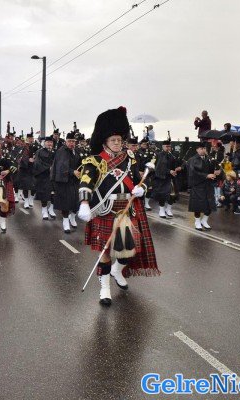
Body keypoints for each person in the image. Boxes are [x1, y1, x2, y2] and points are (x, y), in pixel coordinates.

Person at [77, 107, 159, 307]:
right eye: (113, 140)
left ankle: (116, 270)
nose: (117, 143)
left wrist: (141, 189)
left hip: (126, 210)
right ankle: (104, 288)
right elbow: (85, 182)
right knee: (105, 252)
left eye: (119, 140)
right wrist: (84, 203)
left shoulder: (129, 159)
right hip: (105, 211)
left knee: (130, 249)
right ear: (104, 141)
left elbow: (140, 180)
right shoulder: (95, 161)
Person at [51, 131, 81, 233]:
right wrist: (72, 171)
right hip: (64, 181)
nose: (72, 143)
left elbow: (81, 162)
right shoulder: (61, 151)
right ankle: (65, 221)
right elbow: (61, 166)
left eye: (73, 141)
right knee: (66, 202)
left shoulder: (76, 151)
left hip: (75, 180)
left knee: (76, 200)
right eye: (70, 141)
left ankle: (72, 217)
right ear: (66, 141)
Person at [188, 142, 219, 230]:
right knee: (198, 205)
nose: (203, 150)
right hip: (197, 185)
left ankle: (204, 220)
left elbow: (213, 170)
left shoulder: (209, 158)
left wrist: (216, 171)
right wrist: (206, 175)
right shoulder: (192, 160)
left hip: (208, 185)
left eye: (204, 148)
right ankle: (197, 221)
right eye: (201, 148)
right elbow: (193, 173)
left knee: (210, 204)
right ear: (197, 150)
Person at [152, 139, 182, 218]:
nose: (168, 148)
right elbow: (158, 168)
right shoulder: (159, 155)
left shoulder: (173, 155)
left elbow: (178, 163)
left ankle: (168, 209)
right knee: (162, 195)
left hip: (171, 178)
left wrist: (179, 167)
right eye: (167, 146)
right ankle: (161, 210)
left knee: (173, 195)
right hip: (162, 178)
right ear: (163, 147)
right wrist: (169, 171)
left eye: (169, 146)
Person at [33, 136, 56, 220]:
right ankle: (44, 210)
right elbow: (37, 163)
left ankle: (51, 208)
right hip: (43, 176)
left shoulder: (55, 152)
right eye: (48, 142)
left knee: (54, 194)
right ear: (45, 143)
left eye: (51, 142)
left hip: (54, 176)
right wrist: (48, 168)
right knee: (44, 194)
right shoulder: (39, 152)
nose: (50, 144)